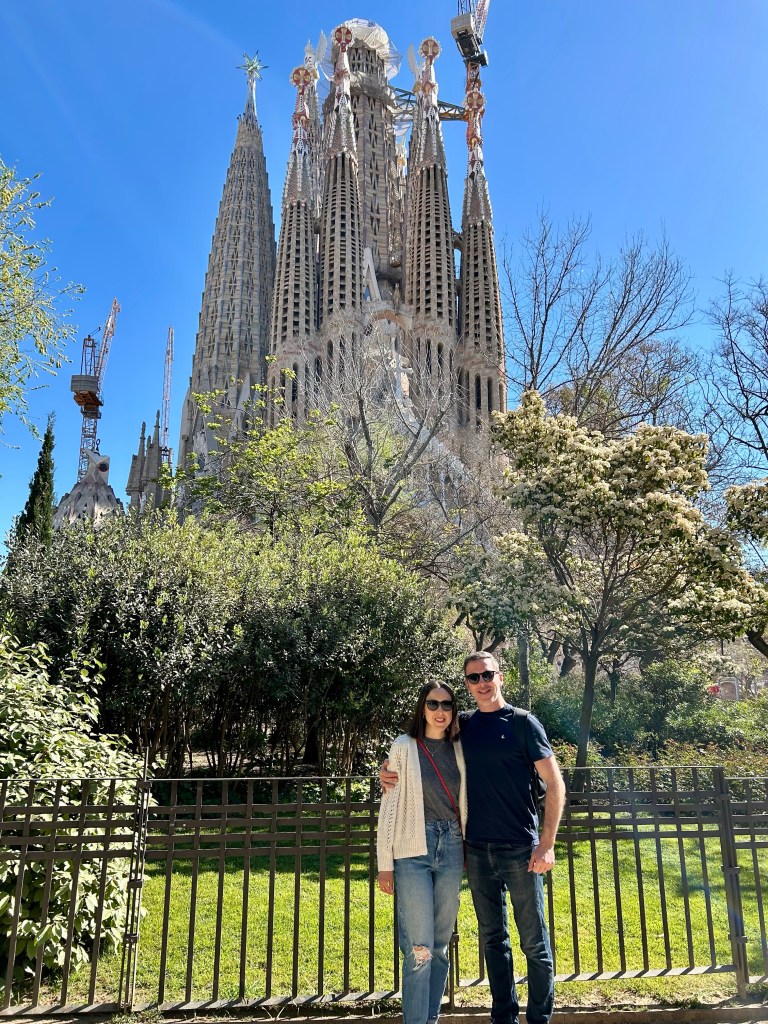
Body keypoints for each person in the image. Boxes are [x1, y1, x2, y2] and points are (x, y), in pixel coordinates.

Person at [381, 652, 565, 1024]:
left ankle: (540, 1018)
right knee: (494, 941)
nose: (481, 682)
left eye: (488, 675)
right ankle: (504, 1018)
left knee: (534, 941)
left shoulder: (523, 723)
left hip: (520, 847)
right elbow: (413, 753)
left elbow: (554, 782)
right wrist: (384, 771)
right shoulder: (461, 726)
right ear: (467, 684)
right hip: (477, 850)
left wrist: (547, 843)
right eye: (473, 678)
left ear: (501, 677)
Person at [377, 681, 467, 1024]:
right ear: (422, 707)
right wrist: (385, 863)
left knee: (440, 946)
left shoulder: (461, 747)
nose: (440, 711)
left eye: (447, 705)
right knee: (419, 950)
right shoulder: (404, 746)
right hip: (412, 851)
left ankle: (429, 1019)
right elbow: (390, 804)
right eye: (433, 704)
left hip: (452, 846)